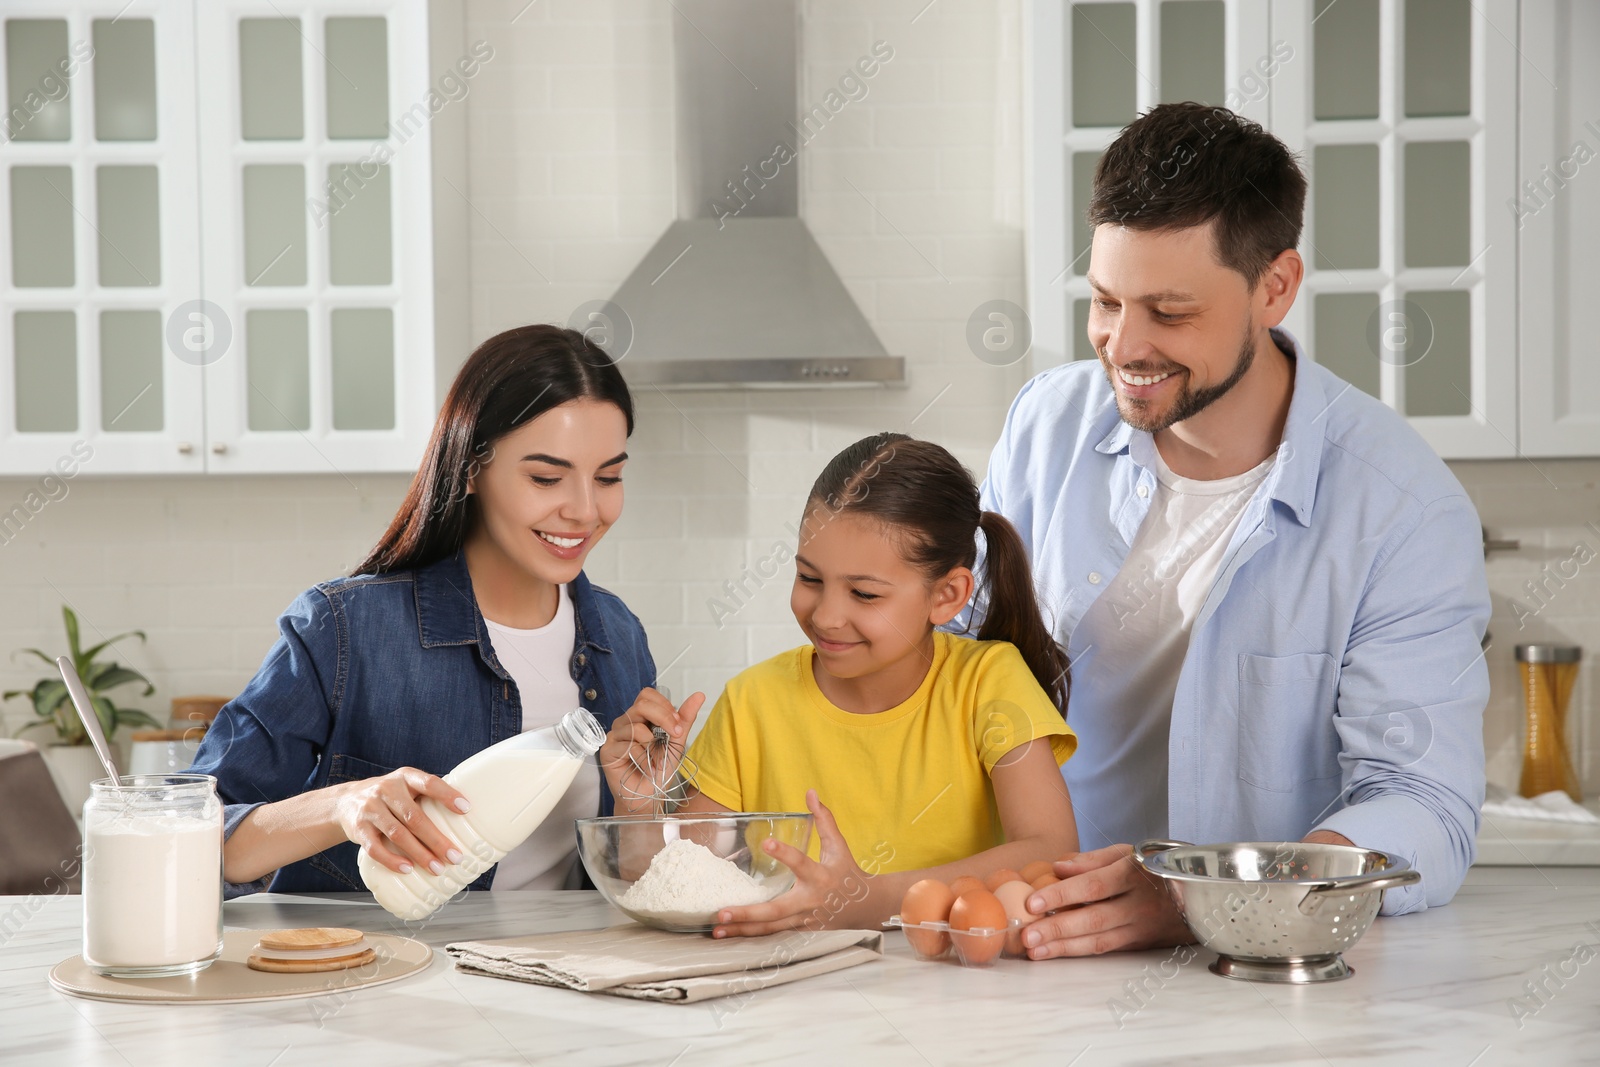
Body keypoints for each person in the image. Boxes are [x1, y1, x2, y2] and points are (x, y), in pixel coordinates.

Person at [960, 102, 1491, 958]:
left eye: (1169, 313)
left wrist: (1204, 896)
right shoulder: (1044, 426)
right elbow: (951, 660)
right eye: (1103, 301)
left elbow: (1422, 807)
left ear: (1274, 287)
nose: (1122, 346)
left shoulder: (1403, 510)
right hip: (1028, 934)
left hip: (1259, 970)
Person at [190, 324, 658, 897]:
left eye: (608, 477)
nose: (586, 510)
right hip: (380, 982)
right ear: (469, 469)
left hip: (561, 980)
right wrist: (342, 806)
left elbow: (633, 885)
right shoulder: (345, 629)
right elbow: (183, 835)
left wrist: (641, 812)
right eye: (546, 477)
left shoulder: (620, 638)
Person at [600, 433, 1080, 936]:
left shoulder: (989, 681)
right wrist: (637, 806)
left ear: (947, 595)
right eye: (809, 579)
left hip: (949, 989)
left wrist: (867, 899)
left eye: (864, 594)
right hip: (791, 989)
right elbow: (667, 878)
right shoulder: (753, 701)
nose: (827, 616)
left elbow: (1052, 850)